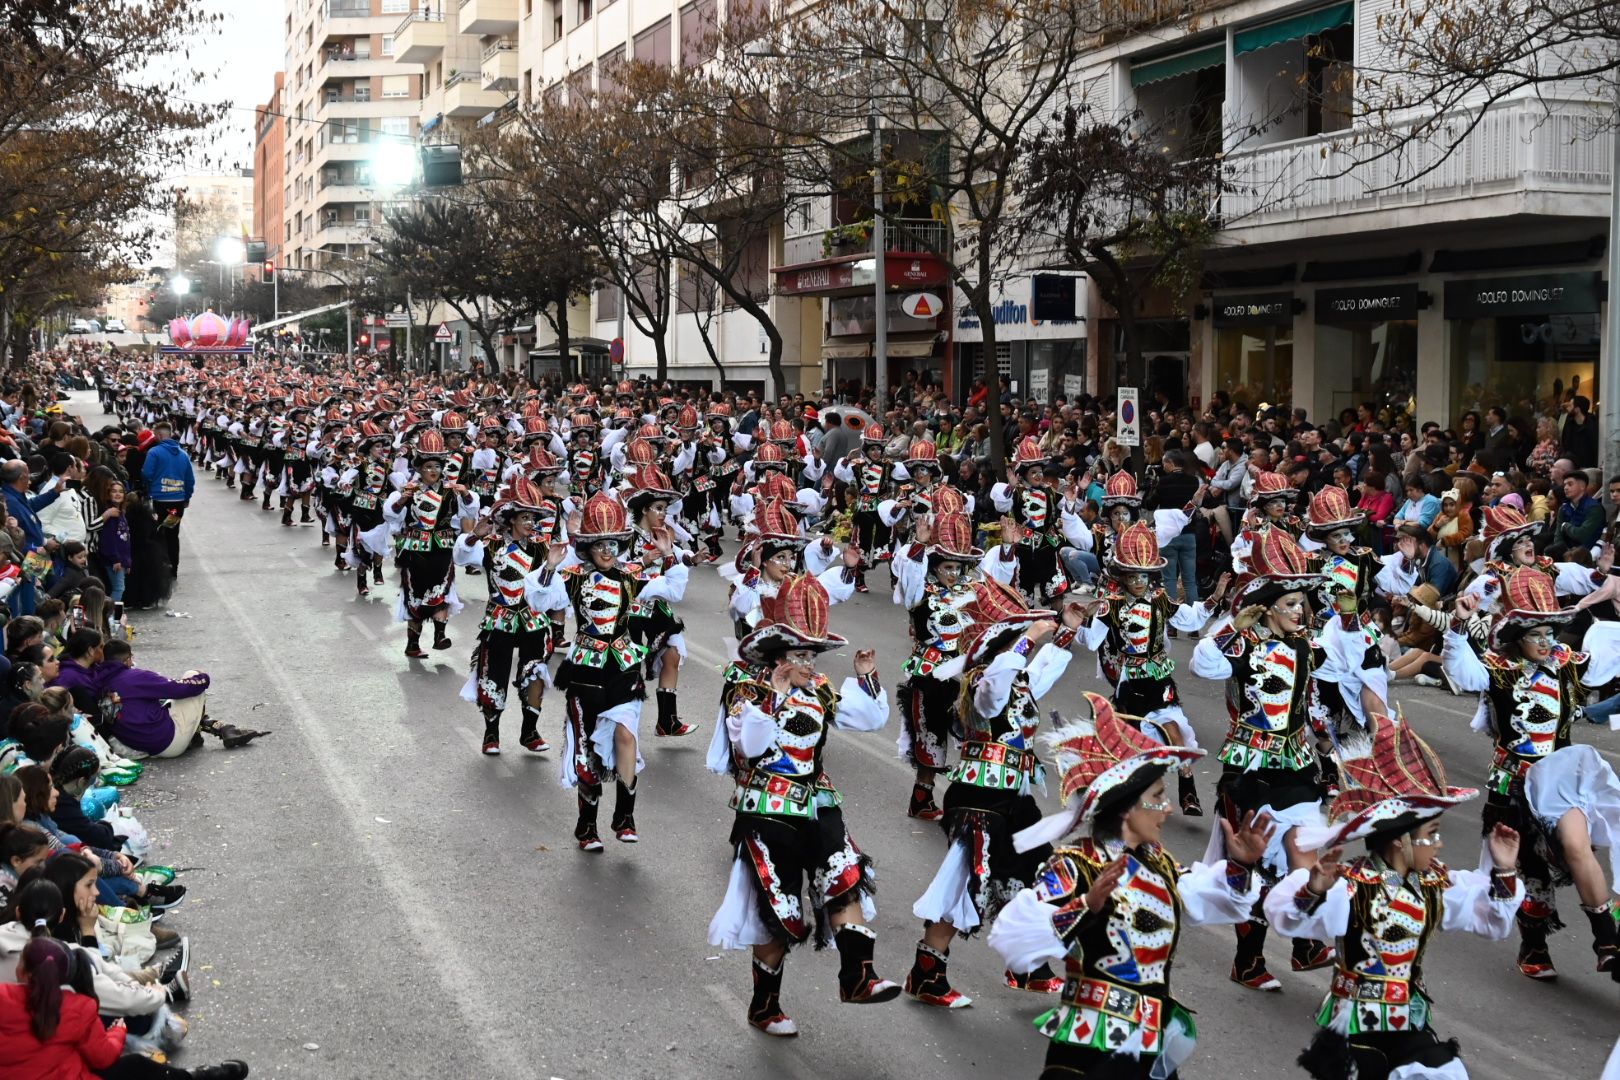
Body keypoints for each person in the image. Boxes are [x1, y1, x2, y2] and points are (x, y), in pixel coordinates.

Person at [987, 695, 1274, 1080]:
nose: (1168, 808)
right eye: (1157, 797)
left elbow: (1202, 899)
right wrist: (1085, 905)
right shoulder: (1076, 864)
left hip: (1148, 1045)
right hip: (1090, 1049)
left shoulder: (1158, 862)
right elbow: (1014, 937)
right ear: (1126, 807)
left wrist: (1240, 865)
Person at [1266, 711, 1522, 1080]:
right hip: (1353, 1029)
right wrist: (1313, 889)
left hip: (1409, 1022)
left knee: (1443, 1072)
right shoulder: (1352, 884)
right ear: (1401, 841)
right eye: (1431, 834)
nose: (1439, 844)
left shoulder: (1435, 885)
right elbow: (1287, 918)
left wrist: (1504, 869)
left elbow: (1493, 923)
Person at [705, 572, 898, 1036]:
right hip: (766, 811)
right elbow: (749, 747)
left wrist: (867, 678)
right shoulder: (747, 690)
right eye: (801, 656)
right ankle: (764, 1005)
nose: (811, 664)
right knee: (780, 911)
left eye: (813, 655)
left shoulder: (820, 690)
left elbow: (869, 719)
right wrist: (772, 698)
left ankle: (858, 976)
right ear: (778, 659)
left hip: (818, 802)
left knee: (844, 875)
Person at [907, 579, 1087, 1006]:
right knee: (967, 884)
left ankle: (1027, 967)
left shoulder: (1018, 681)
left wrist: (1066, 629)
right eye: (1014, 640)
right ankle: (926, 974)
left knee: (1037, 878)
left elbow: (1041, 670)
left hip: (1013, 797)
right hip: (978, 799)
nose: (1022, 648)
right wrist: (1027, 637)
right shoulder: (982, 685)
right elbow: (999, 683)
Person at [1442, 569, 1620, 981]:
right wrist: (1456, 625)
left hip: (1557, 781)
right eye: (1535, 634)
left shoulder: (1566, 664)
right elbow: (1463, 671)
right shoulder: (1498, 671)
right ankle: (1534, 945)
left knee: (1577, 847)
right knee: (1534, 879)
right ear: (1516, 638)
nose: (1545, 642)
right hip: (1513, 785)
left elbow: (1607, 663)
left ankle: (1607, 941)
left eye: (1549, 633)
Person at [454, 478, 556, 756]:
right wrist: (475, 535)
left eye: (533, 518)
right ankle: (491, 733)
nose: (530, 523)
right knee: (492, 674)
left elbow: (561, 576)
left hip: (533, 619)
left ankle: (529, 731)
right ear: (511, 520)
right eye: (525, 517)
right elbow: (462, 558)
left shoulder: (541, 547)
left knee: (535, 672)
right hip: (499, 618)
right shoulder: (491, 545)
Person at [91, 638, 267, 757]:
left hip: (137, 743)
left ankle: (217, 726)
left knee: (165, 702)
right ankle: (199, 733)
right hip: (165, 742)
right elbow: (179, 689)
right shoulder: (134, 677)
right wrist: (203, 676)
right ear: (127, 659)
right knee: (192, 677)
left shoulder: (97, 680)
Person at [140, 421, 193, 579]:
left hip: (159, 502)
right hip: (177, 503)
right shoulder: (183, 454)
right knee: (172, 534)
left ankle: (160, 567)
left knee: (158, 534)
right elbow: (189, 479)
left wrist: (148, 488)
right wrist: (186, 496)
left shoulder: (154, 453)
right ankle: (173, 569)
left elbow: (146, 474)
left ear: (160, 435)